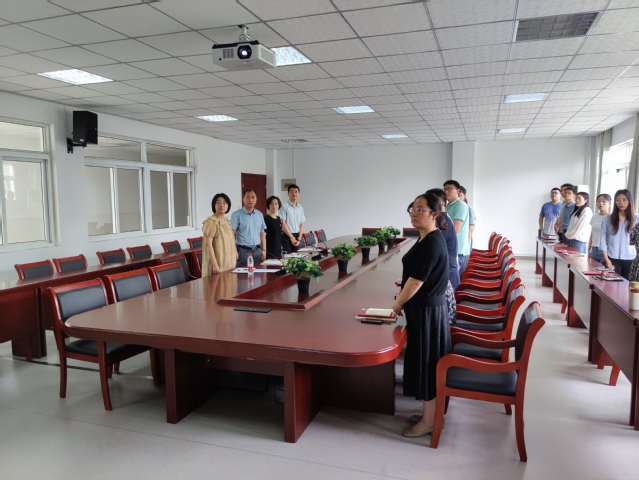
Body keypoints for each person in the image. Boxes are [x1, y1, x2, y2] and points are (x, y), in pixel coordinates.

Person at [392, 193, 451, 438]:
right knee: (425, 362)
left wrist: (397, 303)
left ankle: (430, 422)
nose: (414, 213)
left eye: (420, 209)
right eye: (412, 208)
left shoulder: (432, 242)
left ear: (434, 214)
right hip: (426, 310)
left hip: (428, 313)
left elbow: (417, 281)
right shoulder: (426, 238)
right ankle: (431, 415)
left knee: (428, 365)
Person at [600, 189, 639, 280]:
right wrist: (606, 259)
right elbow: (602, 239)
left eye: (624, 200)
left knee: (628, 285)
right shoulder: (607, 219)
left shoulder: (637, 219)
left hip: (631, 259)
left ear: (630, 201)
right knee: (611, 284)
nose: (621, 203)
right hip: (612, 258)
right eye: (618, 200)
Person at [426, 188, 459, 290]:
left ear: (442, 203)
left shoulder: (444, 222)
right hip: (445, 272)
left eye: (432, 201)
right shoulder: (442, 219)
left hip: (447, 274)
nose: (429, 206)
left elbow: (433, 250)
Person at [201, 193, 237, 276]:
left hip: (228, 261)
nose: (222, 205)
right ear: (214, 205)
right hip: (218, 263)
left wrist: (235, 251)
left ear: (228, 205)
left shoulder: (227, 221)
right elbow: (208, 245)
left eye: (224, 203)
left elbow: (231, 239)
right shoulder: (211, 222)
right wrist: (215, 265)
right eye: (218, 202)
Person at [231, 189, 267, 266]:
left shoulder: (259, 214)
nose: (250, 200)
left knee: (259, 272)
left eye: (253, 197)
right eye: (248, 197)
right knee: (243, 273)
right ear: (243, 199)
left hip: (257, 251)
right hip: (243, 251)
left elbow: (262, 233)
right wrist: (234, 251)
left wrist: (264, 250)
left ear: (256, 199)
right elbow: (232, 234)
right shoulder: (236, 215)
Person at [443, 180, 470, 274]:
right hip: (450, 249)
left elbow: (455, 229)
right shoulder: (448, 206)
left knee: (451, 279)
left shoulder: (460, 205)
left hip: (457, 250)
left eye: (449, 189)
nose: (446, 191)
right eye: (445, 189)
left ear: (457, 191)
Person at [280, 184, 304, 253]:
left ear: (299, 194)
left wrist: (299, 238)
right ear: (288, 194)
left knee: (297, 256)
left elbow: (302, 224)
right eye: (291, 191)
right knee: (288, 257)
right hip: (287, 236)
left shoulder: (300, 208)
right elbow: (283, 223)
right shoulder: (284, 206)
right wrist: (291, 237)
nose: (294, 194)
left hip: (297, 236)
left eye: (296, 192)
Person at [589, 194, 611, 263]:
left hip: (606, 250)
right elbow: (592, 234)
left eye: (604, 201)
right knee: (592, 268)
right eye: (598, 201)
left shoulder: (611, 218)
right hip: (594, 249)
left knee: (604, 269)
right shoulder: (594, 217)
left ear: (609, 203)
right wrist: (589, 249)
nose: (601, 203)